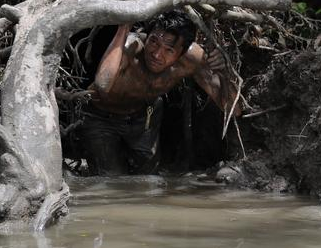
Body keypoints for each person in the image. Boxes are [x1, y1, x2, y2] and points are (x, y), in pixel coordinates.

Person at [79, 10, 236, 175]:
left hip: (143, 115)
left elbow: (234, 108)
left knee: (149, 178)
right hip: (100, 116)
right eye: (154, 42)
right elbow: (103, 84)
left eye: (169, 50)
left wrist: (224, 72)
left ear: (182, 53)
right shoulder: (130, 47)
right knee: (109, 177)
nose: (156, 54)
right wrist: (123, 29)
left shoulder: (192, 59)